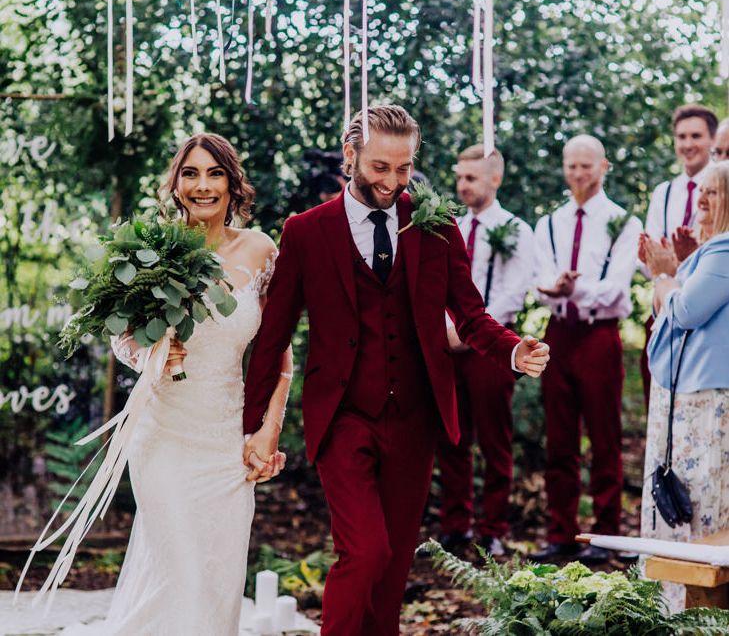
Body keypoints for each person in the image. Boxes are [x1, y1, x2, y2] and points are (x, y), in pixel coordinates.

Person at [242, 104, 550, 636]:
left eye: (403, 168)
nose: (391, 181)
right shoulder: (307, 231)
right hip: (342, 414)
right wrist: (250, 424)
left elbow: (470, 313)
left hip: (414, 417)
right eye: (380, 167)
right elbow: (274, 338)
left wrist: (510, 350)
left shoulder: (434, 225)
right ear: (351, 155)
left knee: (393, 567)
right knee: (364, 552)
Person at [17, 133, 290, 635]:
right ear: (176, 183)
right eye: (191, 173)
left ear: (233, 183)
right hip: (163, 434)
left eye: (214, 173)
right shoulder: (149, 249)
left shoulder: (260, 250)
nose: (202, 185)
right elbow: (123, 340)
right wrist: (152, 355)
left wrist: (268, 429)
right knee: (181, 569)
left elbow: (279, 353)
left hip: (226, 438)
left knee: (218, 576)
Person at [530, 135, 641, 564]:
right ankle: (561, 532)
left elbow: (616, 288)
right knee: (559, 439)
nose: (578, 174)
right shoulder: (550, 223)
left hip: (599, 336)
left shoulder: (623, 222)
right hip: (558, 334)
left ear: (604, 167)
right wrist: (554, 290)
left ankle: (607, 535)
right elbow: (541, 284)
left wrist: (573, 290)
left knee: (605, 437)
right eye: (571, 166)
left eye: (586, 166)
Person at [436, 145, 535, 556]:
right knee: (452, 436)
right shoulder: (447, 225)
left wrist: (473, 330)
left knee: (495, 438)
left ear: (494, 179)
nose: (463, 184)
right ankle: (454, 525)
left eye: (471, 177)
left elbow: (515, 291)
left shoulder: (516, 229)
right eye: (459, 177)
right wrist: (446, 327)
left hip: (492, 343)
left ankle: (492, 528)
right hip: (448, 341)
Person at [640, 161, 729, 612]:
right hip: (689, 397)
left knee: (699, 509)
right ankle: (672, 608)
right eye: (701, 191)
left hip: (707, 403)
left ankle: (691, 611)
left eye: (713, 193)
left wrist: (662, 274)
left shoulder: (727, 250)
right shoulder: (714, 248)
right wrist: (673, 272)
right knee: (682, 506)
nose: (701, 199)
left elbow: (686, 311)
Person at [639, 105, 718, 409]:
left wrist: (678, 262)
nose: (687, 144)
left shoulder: (722, 190)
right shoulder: (663, 192)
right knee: (659, 400)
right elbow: (651, 258)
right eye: (681, 136)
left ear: (712, 140)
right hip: (662, 309)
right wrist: (655, 263)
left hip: (706, 311)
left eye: (696, 135)